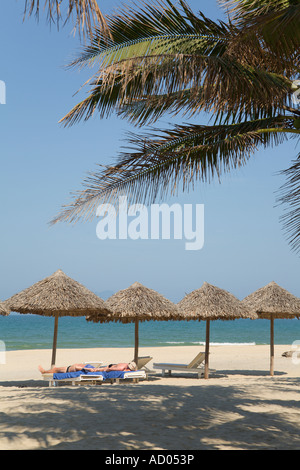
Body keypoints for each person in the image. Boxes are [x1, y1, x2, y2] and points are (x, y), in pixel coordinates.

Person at [38, 361, 137, 374]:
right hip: (91, 368)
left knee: (58, 369)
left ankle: (45, 372)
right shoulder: (123, 367)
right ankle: (46, 371)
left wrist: (95, 369)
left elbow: (109, 369)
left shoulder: (121, 367)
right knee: (73, 366)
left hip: (92, 369)